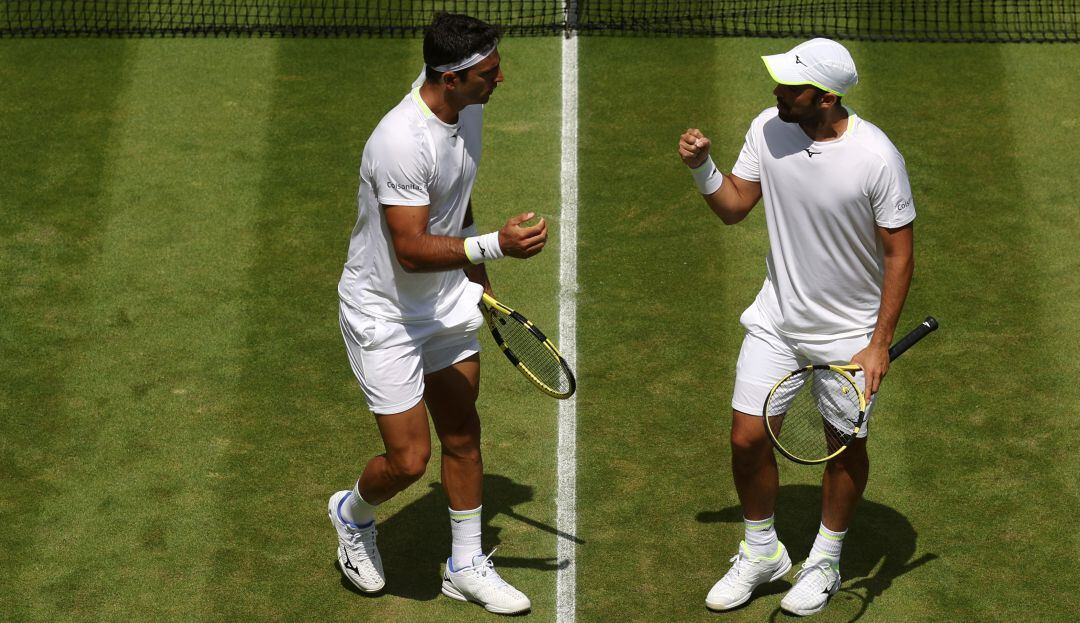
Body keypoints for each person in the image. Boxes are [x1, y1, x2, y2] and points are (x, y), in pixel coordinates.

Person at [678, 38, 916, 616]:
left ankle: (825, 560)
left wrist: (878, 344)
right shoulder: (768, 127)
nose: (778, 93)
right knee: (746, 438)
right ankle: (762, 553)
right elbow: (735, 205)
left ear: (828, 97)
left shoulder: (877, 158)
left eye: (792, 86)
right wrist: (702, 167)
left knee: (842, 449)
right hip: (777, 320)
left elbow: (899, 255)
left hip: (848, 337)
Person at [329, 12, 547, 615]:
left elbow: (457, 191)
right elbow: (409, 247)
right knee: (408, 460)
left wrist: (476, 274)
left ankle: (466, 564)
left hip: (445, 299)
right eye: (489, 72)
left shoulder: (467, 110)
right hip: (385, 314)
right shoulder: (400, 141)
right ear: (450, 78)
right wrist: (493, 246)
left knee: (462, 434)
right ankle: (351, 514)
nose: (500, 79)